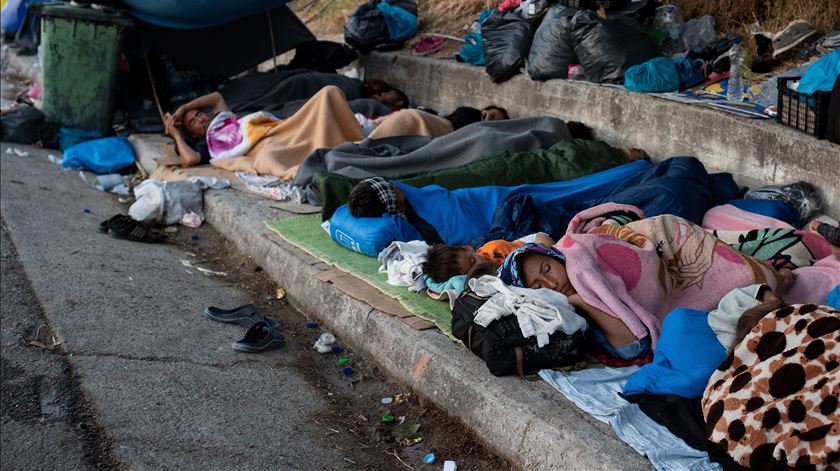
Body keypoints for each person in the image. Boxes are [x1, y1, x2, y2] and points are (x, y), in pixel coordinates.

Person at [495, 211, 793, 361]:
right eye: (538, 285)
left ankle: (766, 273)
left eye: (547, 269)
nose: (551, 283)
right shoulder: (563, 306)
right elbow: (632, 345)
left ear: (553, 257)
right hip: (676, 295)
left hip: (666, 249)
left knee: (724, 259)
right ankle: (768, 275)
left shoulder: (576, 256)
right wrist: (581, 302)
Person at [163, 83, 410, 168]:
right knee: (328, 99)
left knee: (336, 106)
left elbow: (216, 97)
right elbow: (190, 160)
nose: (200, 119)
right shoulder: (210, 145)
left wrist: (183, 109)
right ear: (193, 133)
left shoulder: (223, 120)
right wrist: (175, 132)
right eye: (193, 122)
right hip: (270, 143)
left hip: (277, 127)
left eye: (198, 114)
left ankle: (393, 119)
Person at [422, 233, 555, 283]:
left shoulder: (496, 250)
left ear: (469, 249)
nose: (480, 266)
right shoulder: (489, 284)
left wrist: (550, 249)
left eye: (473, 260)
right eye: (472, 271)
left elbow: (539, 236)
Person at [443, 105, 509, 129]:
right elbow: (457, 123)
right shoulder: (472, 112)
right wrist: (484, 122)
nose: (493, 120)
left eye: (497, 121)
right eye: (492, 116)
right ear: (485, 111)